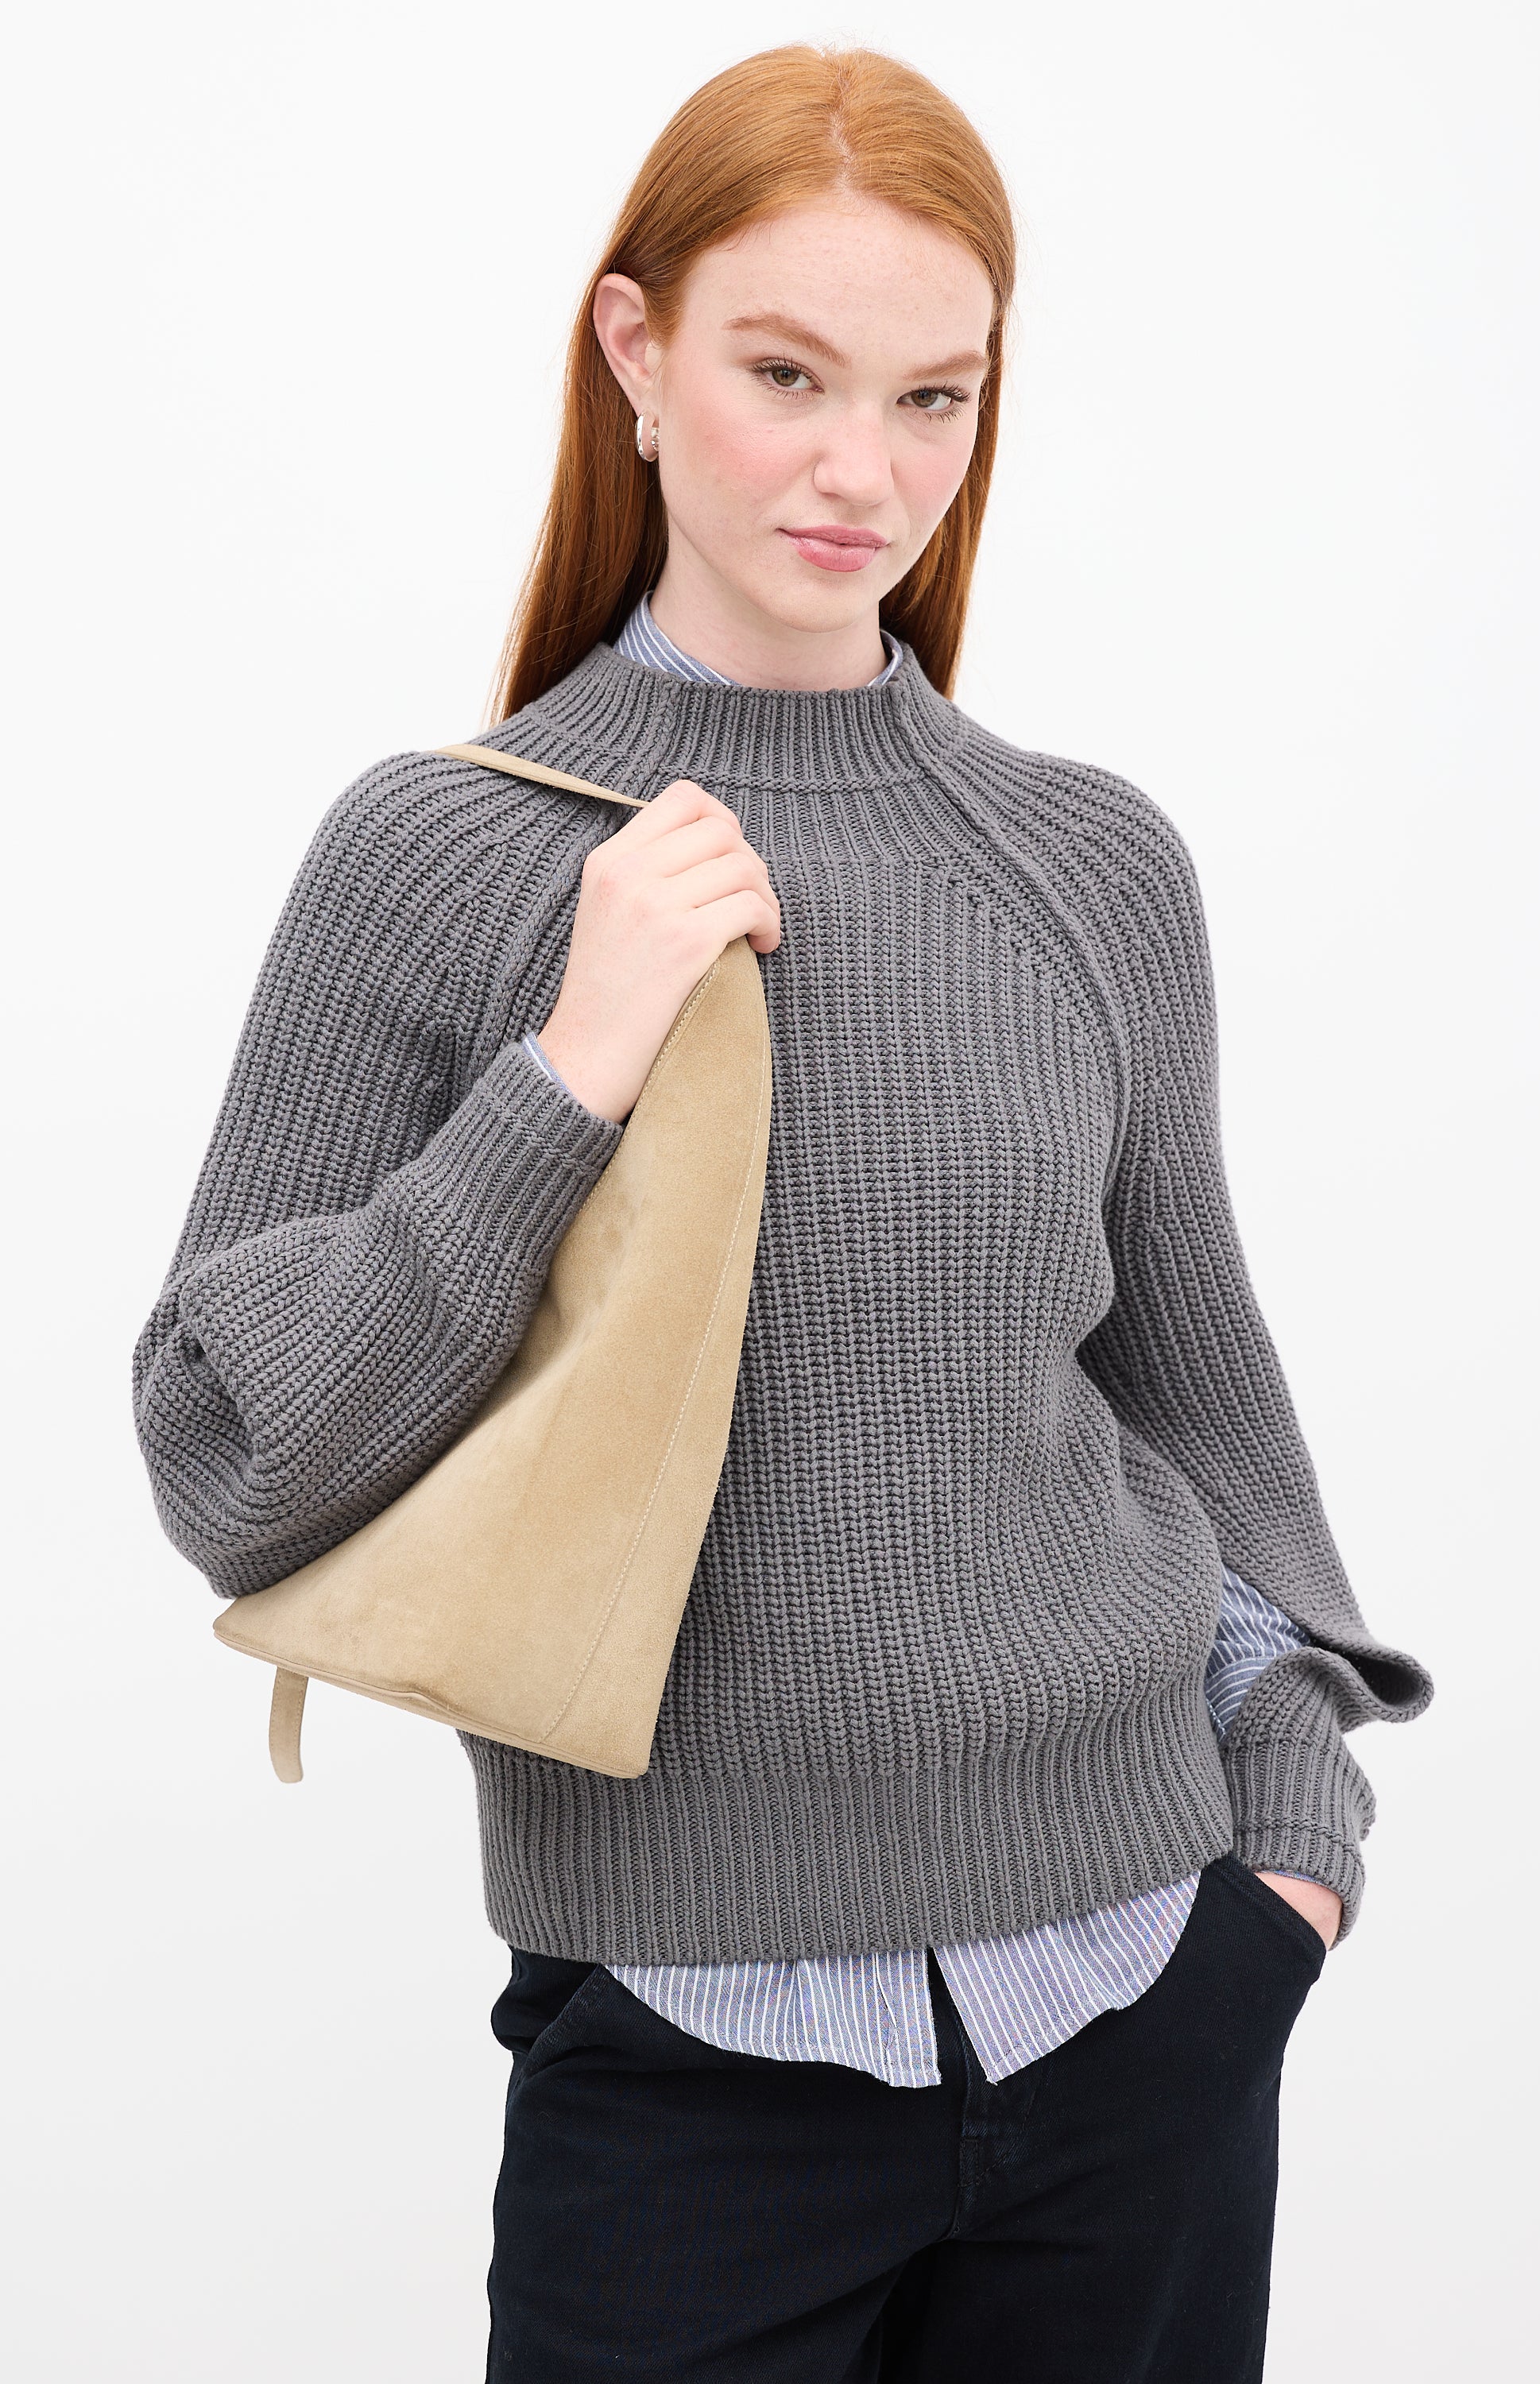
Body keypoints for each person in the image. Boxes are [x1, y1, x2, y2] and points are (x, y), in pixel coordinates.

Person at [133, 44, 1434, 2384]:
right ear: (634, 351)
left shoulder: (1090, 863)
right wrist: (573, 1065)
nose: (867, 472)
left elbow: (1205, 1405)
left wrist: (1290, 1857)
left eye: (936, 398)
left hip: (1145, 2002)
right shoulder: (446, 853)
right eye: (787, 375)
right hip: (685, 2058)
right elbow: (232, 1465)